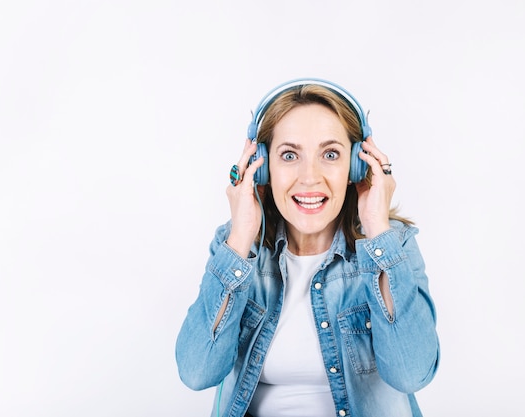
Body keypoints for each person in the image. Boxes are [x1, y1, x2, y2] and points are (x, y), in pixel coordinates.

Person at [175, 78, 440, 417]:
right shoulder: (237, 250)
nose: (310, 177)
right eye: (289, 155)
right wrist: (240, 237)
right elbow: (197, 372)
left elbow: (411, 373)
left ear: (357, 165)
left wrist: (377, 229)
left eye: (330, 154)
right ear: (262, 167)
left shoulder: (393, 245)